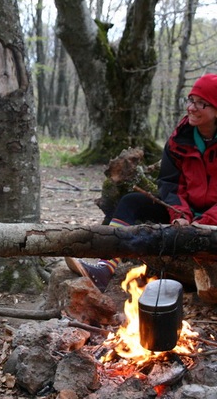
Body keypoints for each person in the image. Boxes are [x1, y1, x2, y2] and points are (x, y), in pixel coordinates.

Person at [66, 73, 217, 293]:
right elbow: (169, 183)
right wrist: (181, 216)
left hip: (213, 218)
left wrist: (206, 222)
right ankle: (104, 268)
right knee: (131, 202)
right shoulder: (179, 139)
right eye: (190, 100)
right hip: (184, 212)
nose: (191, 108)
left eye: (200, 103)